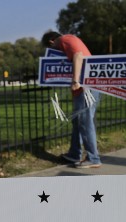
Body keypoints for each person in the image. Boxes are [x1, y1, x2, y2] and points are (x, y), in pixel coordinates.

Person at [41, 31, 102, 169]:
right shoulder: (69, 40)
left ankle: (93, 158)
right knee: (78, 122)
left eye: (51, 49)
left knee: (85, 122)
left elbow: (78, 55)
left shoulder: (65, 40)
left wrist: (75, 81)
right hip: (86, 87)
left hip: (85, 88)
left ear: (52, 42)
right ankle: (74, 154)